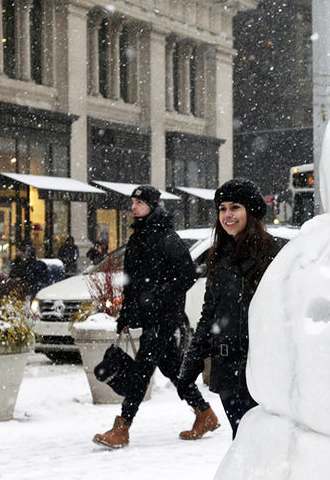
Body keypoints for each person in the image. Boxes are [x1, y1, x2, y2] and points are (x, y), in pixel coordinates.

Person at [93, 185, 216, 449]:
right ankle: (204, 413)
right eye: (133, 202)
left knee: (141, 370)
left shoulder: (166, 237)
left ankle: (123, 426)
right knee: (172, 367)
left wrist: (159, 295)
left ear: (152, 205)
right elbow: (132, 281)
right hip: (148, 315)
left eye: (139, 202)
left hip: (163, 317)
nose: (134, 206)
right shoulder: (139, 236)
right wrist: (127, 311)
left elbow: (187, 274)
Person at [178, 178, 278, 438]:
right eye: (222, 208)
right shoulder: (218, 256)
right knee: (241, 441)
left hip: (262, 369)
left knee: (260, 443)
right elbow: (209, 313)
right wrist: (193, 361)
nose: (227, 215)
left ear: (251, 211)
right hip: (228, 371)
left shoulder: (273, 253)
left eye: (235, 207)